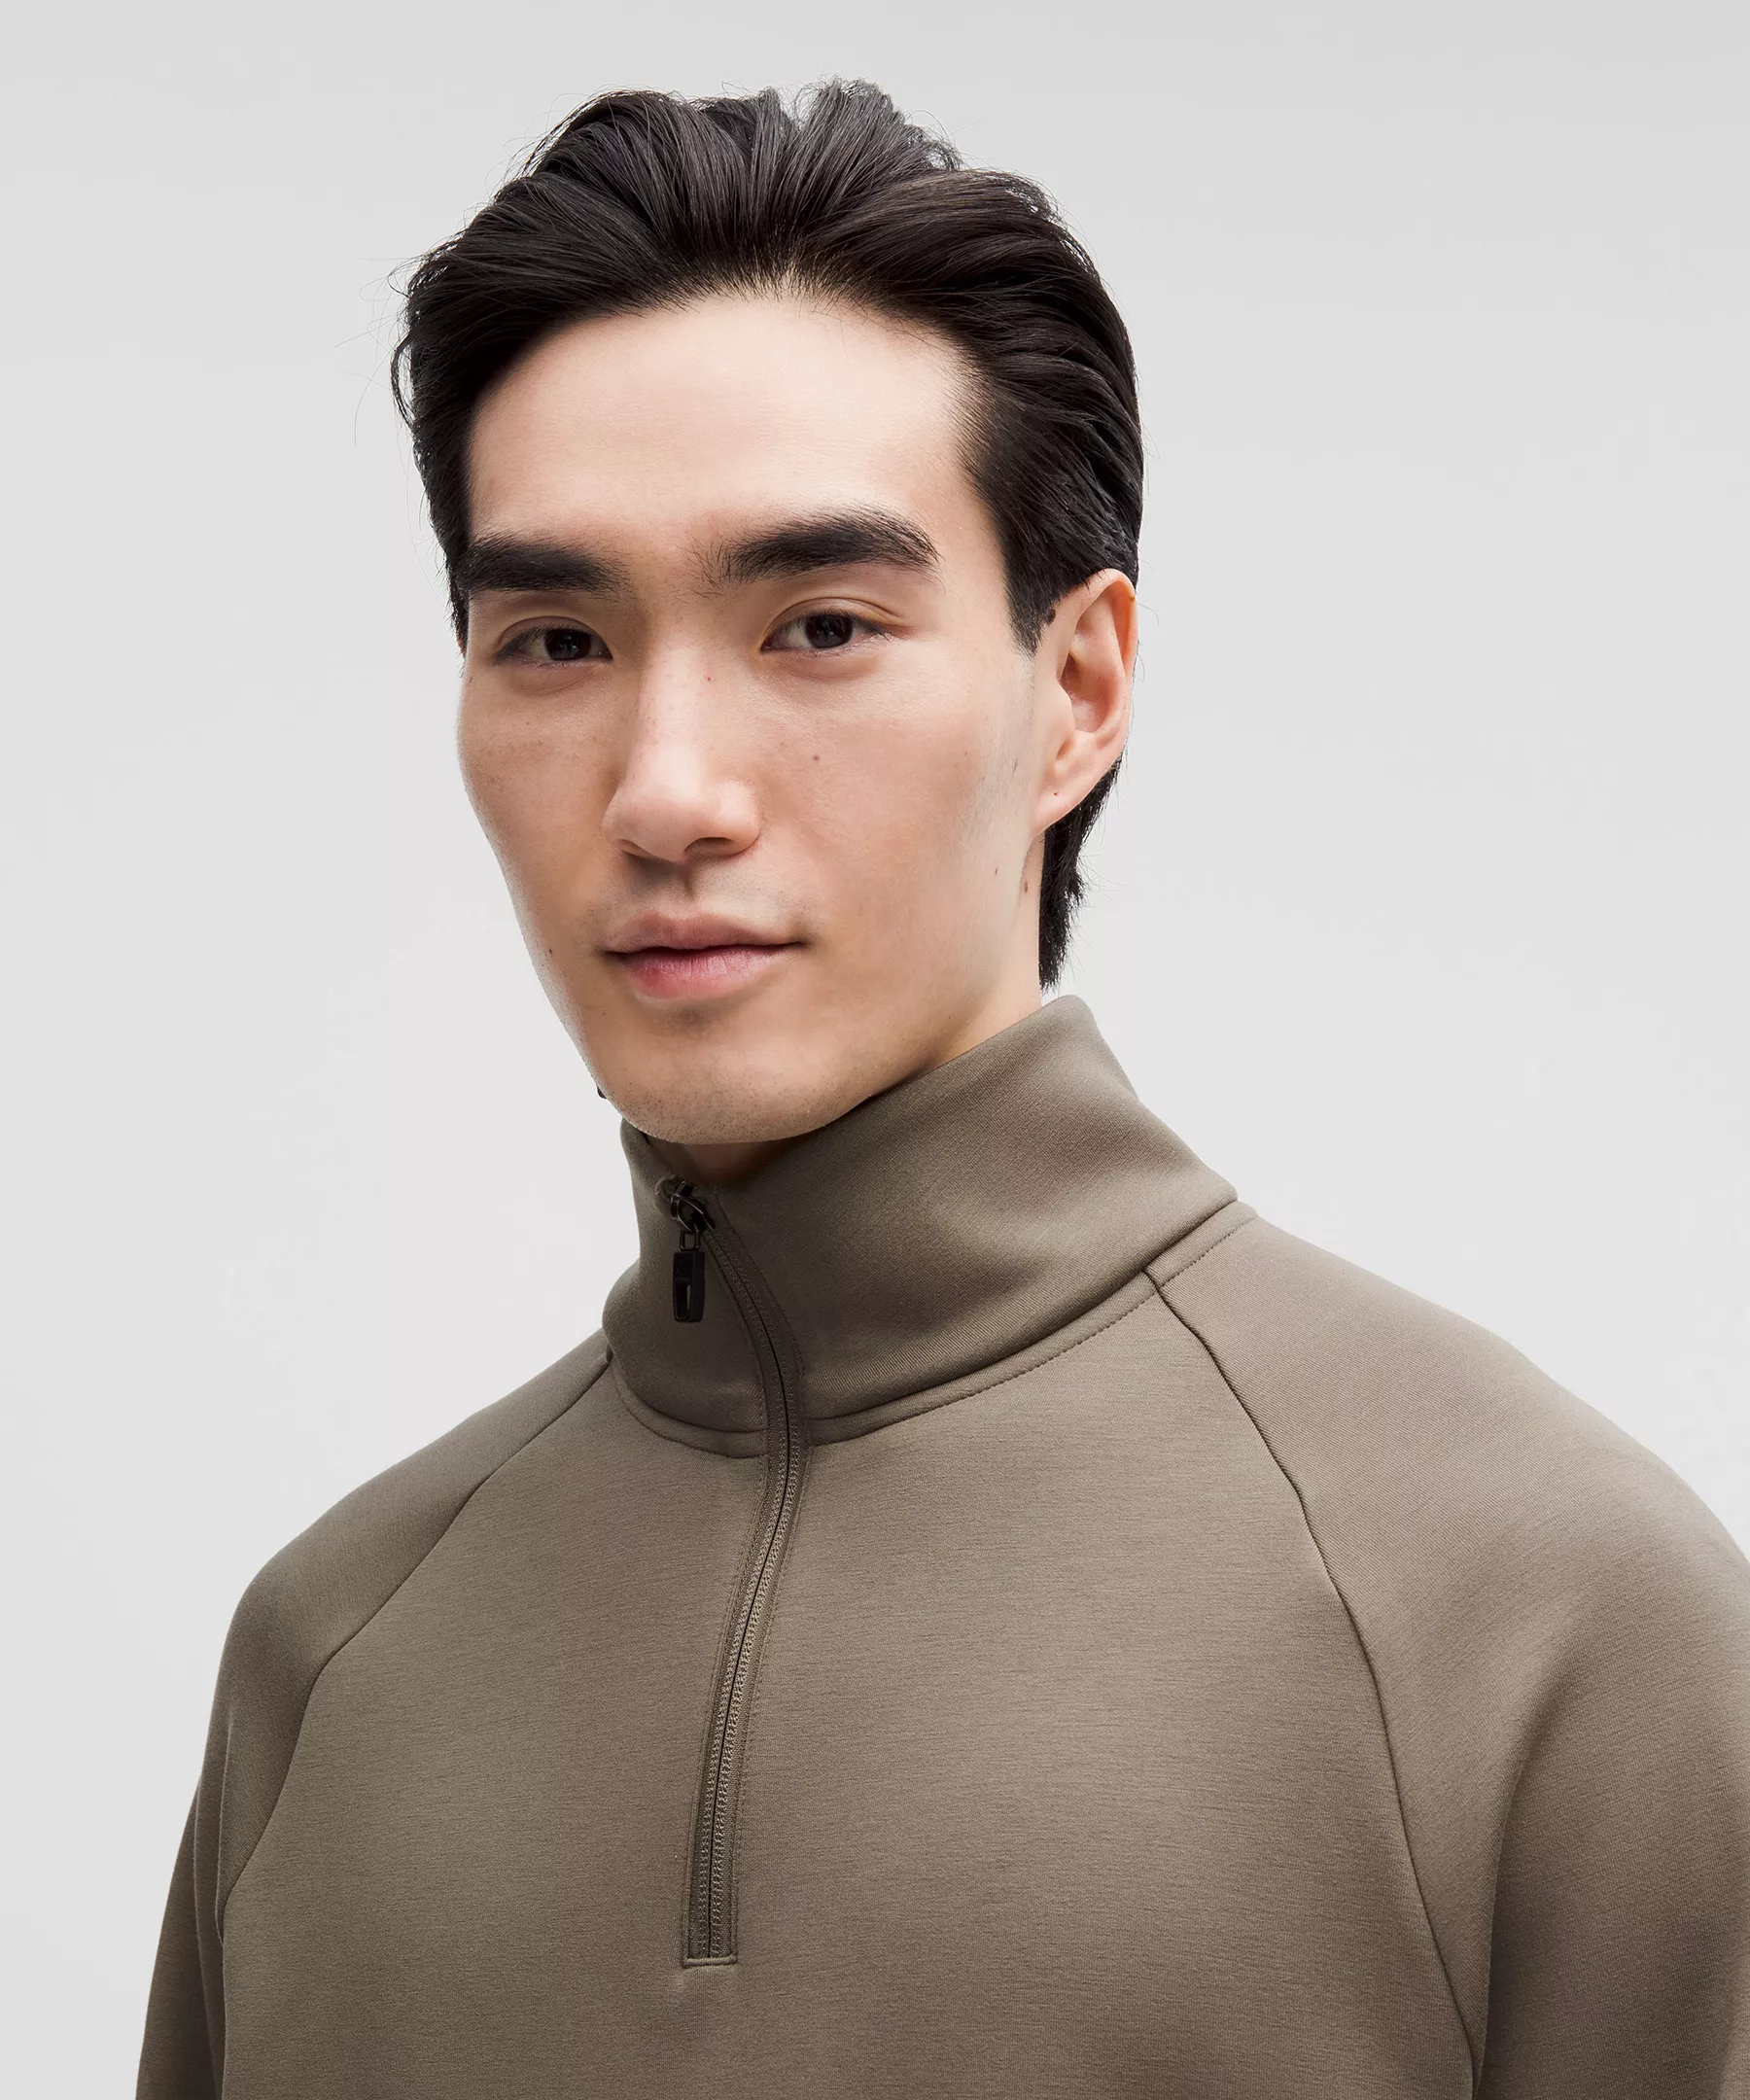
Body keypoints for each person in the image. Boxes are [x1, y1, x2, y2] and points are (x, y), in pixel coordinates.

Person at [137, 82, 1750, 2100]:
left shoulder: (1552, 1620)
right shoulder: (333, 1659)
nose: (667, 791)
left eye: (819, 626)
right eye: (553, 640)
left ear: (1077, 691)